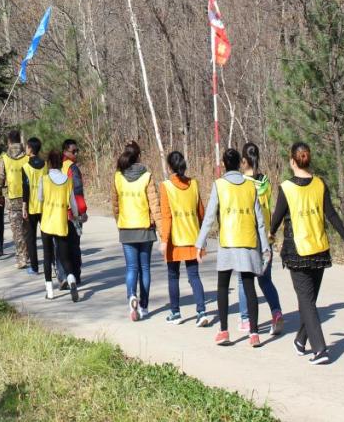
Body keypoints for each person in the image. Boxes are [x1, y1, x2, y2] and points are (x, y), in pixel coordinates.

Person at [269, 142, 344, 365]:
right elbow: (332, 214)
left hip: (297, 250)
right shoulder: (319, 184)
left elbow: (277, 218)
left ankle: (320, 349)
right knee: (309, 300)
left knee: (307, 302)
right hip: (319, 249)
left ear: (292, 161)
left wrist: (268, 235)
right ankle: (300, 340)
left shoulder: (287, 188)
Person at [195, 147, 270, 347]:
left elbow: (210, 216)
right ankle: (254, 334)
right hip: (248, 241)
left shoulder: (219, 185)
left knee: (222, 286)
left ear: (223, 164)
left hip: (227, 242)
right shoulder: (251, 186)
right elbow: (259, 220)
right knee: (249, 286)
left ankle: (224, 331)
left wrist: (200, 243)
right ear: (239, 163)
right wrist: (265, 247)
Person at [238, 142, 284, 335]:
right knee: (266, 280)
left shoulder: (241, 184)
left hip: (248, 238)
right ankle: (276, 312)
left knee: (243, 281)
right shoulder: (265, 181)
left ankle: (245, 319)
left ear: (243, 161)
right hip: (266, 237)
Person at [158, 150, 210, 326]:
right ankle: (201, 311)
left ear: (169, 166)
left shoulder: (166, 186)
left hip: (174, 240)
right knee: (194, 276)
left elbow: (166, 216)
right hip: (193, 238)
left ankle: (175, 313)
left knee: (173, 276)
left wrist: (164, 241)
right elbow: (201, 213)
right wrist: (203, 239)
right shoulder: (194, 184)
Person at [112, 141, 161, 321]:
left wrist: (119, 221)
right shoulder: (146, 176)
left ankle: (131, 296)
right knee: (145, 268)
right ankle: (144, 306)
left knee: (131, 267)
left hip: (126, 228)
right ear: (139, 156)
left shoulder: (118, 177)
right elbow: (154, 205)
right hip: (145, 228)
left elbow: (115, 205)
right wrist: (162, 231)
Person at [35, 150, 80, 301]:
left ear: (48, 163)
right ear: (61, 163)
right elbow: (73, 204)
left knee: (48, 257)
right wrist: (76, 217)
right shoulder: (68, 181)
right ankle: (72, 279)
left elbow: (39, 198)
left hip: (47, 223)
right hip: (61, 223)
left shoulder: (44, 179)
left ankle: (50, 291)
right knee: (64, 256)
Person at [0, 130, 31, 270]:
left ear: (9, 142)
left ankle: (21, 258)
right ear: (20, 140)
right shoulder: (28, 158)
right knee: (28, 230)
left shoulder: (4, 159)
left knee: (17, 231)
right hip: (28, 200)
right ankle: (28, 253)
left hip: (12, 199)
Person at [58, 139, 87, 287]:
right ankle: (75, 275)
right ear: (65, 151)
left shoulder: (56, 167)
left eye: (77, 151)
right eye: (73, 151)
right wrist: (82, 211)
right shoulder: (72, 168)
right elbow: (77, 191)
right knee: (74, 245)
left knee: (61, 245)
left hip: (58, 212)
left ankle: (63, 276)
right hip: (72, 212)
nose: (76, 154)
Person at [22, 138, 47, 275]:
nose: (25, 149)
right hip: (44, 206)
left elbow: (25, 188)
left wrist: (24, 207)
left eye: (26, 147)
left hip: (32, 206)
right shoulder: (45, 165)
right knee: (46, 237)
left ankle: (34, 267)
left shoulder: (26, 167)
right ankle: (52, 264)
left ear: (31, 149)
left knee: (31, 238)